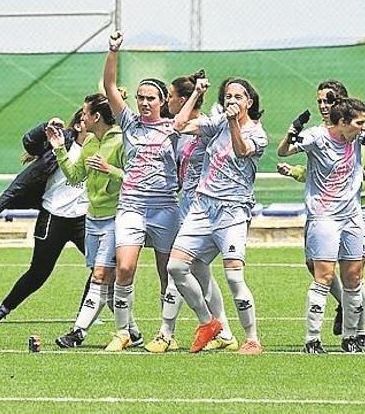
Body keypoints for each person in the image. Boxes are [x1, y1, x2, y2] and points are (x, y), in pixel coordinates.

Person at [277, 96, 365, 353]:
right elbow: (284, 151)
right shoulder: (316, 136)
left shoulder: (358, 136)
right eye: (359, 122)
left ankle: (351, 337)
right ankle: (312, 339)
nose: (363, 126)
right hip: (324, 218)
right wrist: (292, 131)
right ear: (343, 121)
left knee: (354, 277)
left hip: (352, 217)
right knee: (323, 277)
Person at [169, 76, 268, 355]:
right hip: (202, 207)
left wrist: (234, 121)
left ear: (249, 102)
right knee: (176, 267)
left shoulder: (258, 134)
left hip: (233, 211)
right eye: (227, 96)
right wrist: (196, 93)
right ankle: (209, 323)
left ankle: (252, 339)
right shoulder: (217, 123)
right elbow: (178, 125)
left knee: (234, 278)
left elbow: (241, 151)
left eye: (238, 97)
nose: (231, 101)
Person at [144, 75, 237, 353]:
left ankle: (166, 333)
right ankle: (225, 333)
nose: (167, 101)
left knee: (176, 270)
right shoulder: (181, 133)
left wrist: (196, 94)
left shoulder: (206, 126)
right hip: (186, 204)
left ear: (182, 100)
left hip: (200, 208)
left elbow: (180, 124)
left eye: (170, 97)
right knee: (201, 273)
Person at [101, 31, 181, 352]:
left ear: (162, 102)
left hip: (164, 207)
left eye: (151, 98)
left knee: (168, 273)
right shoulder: (129, 124)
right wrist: (112, 51)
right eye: (140, 97)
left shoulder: (174, 128)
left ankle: (166, 332)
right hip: (131, 206)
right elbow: (108, 87)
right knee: (124, 267)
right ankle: (122, 332)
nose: (144, 102)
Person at [0, 110, 95, 328]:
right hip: (53, 216)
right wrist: (45, 127)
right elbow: (30, 143)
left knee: (101, 267)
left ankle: (86, 313)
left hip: (84, 219)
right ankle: (4, 308)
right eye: (88, 118)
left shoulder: (101, 147)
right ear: (79, 125)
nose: (94, 123)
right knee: (39, 272)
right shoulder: (60, 141)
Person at [51, 94, 132, 347]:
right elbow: (75, 177)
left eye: (85, 113)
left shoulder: (121, 142)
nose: (81, 117)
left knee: (99, 277)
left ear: (96, 117)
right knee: (104, 282)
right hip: (92, 219)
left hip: (114, 219)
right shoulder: (88, 143)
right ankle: (133, 332)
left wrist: (111, 170)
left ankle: (78, 332)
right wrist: (59, 150)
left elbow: (134, 178)